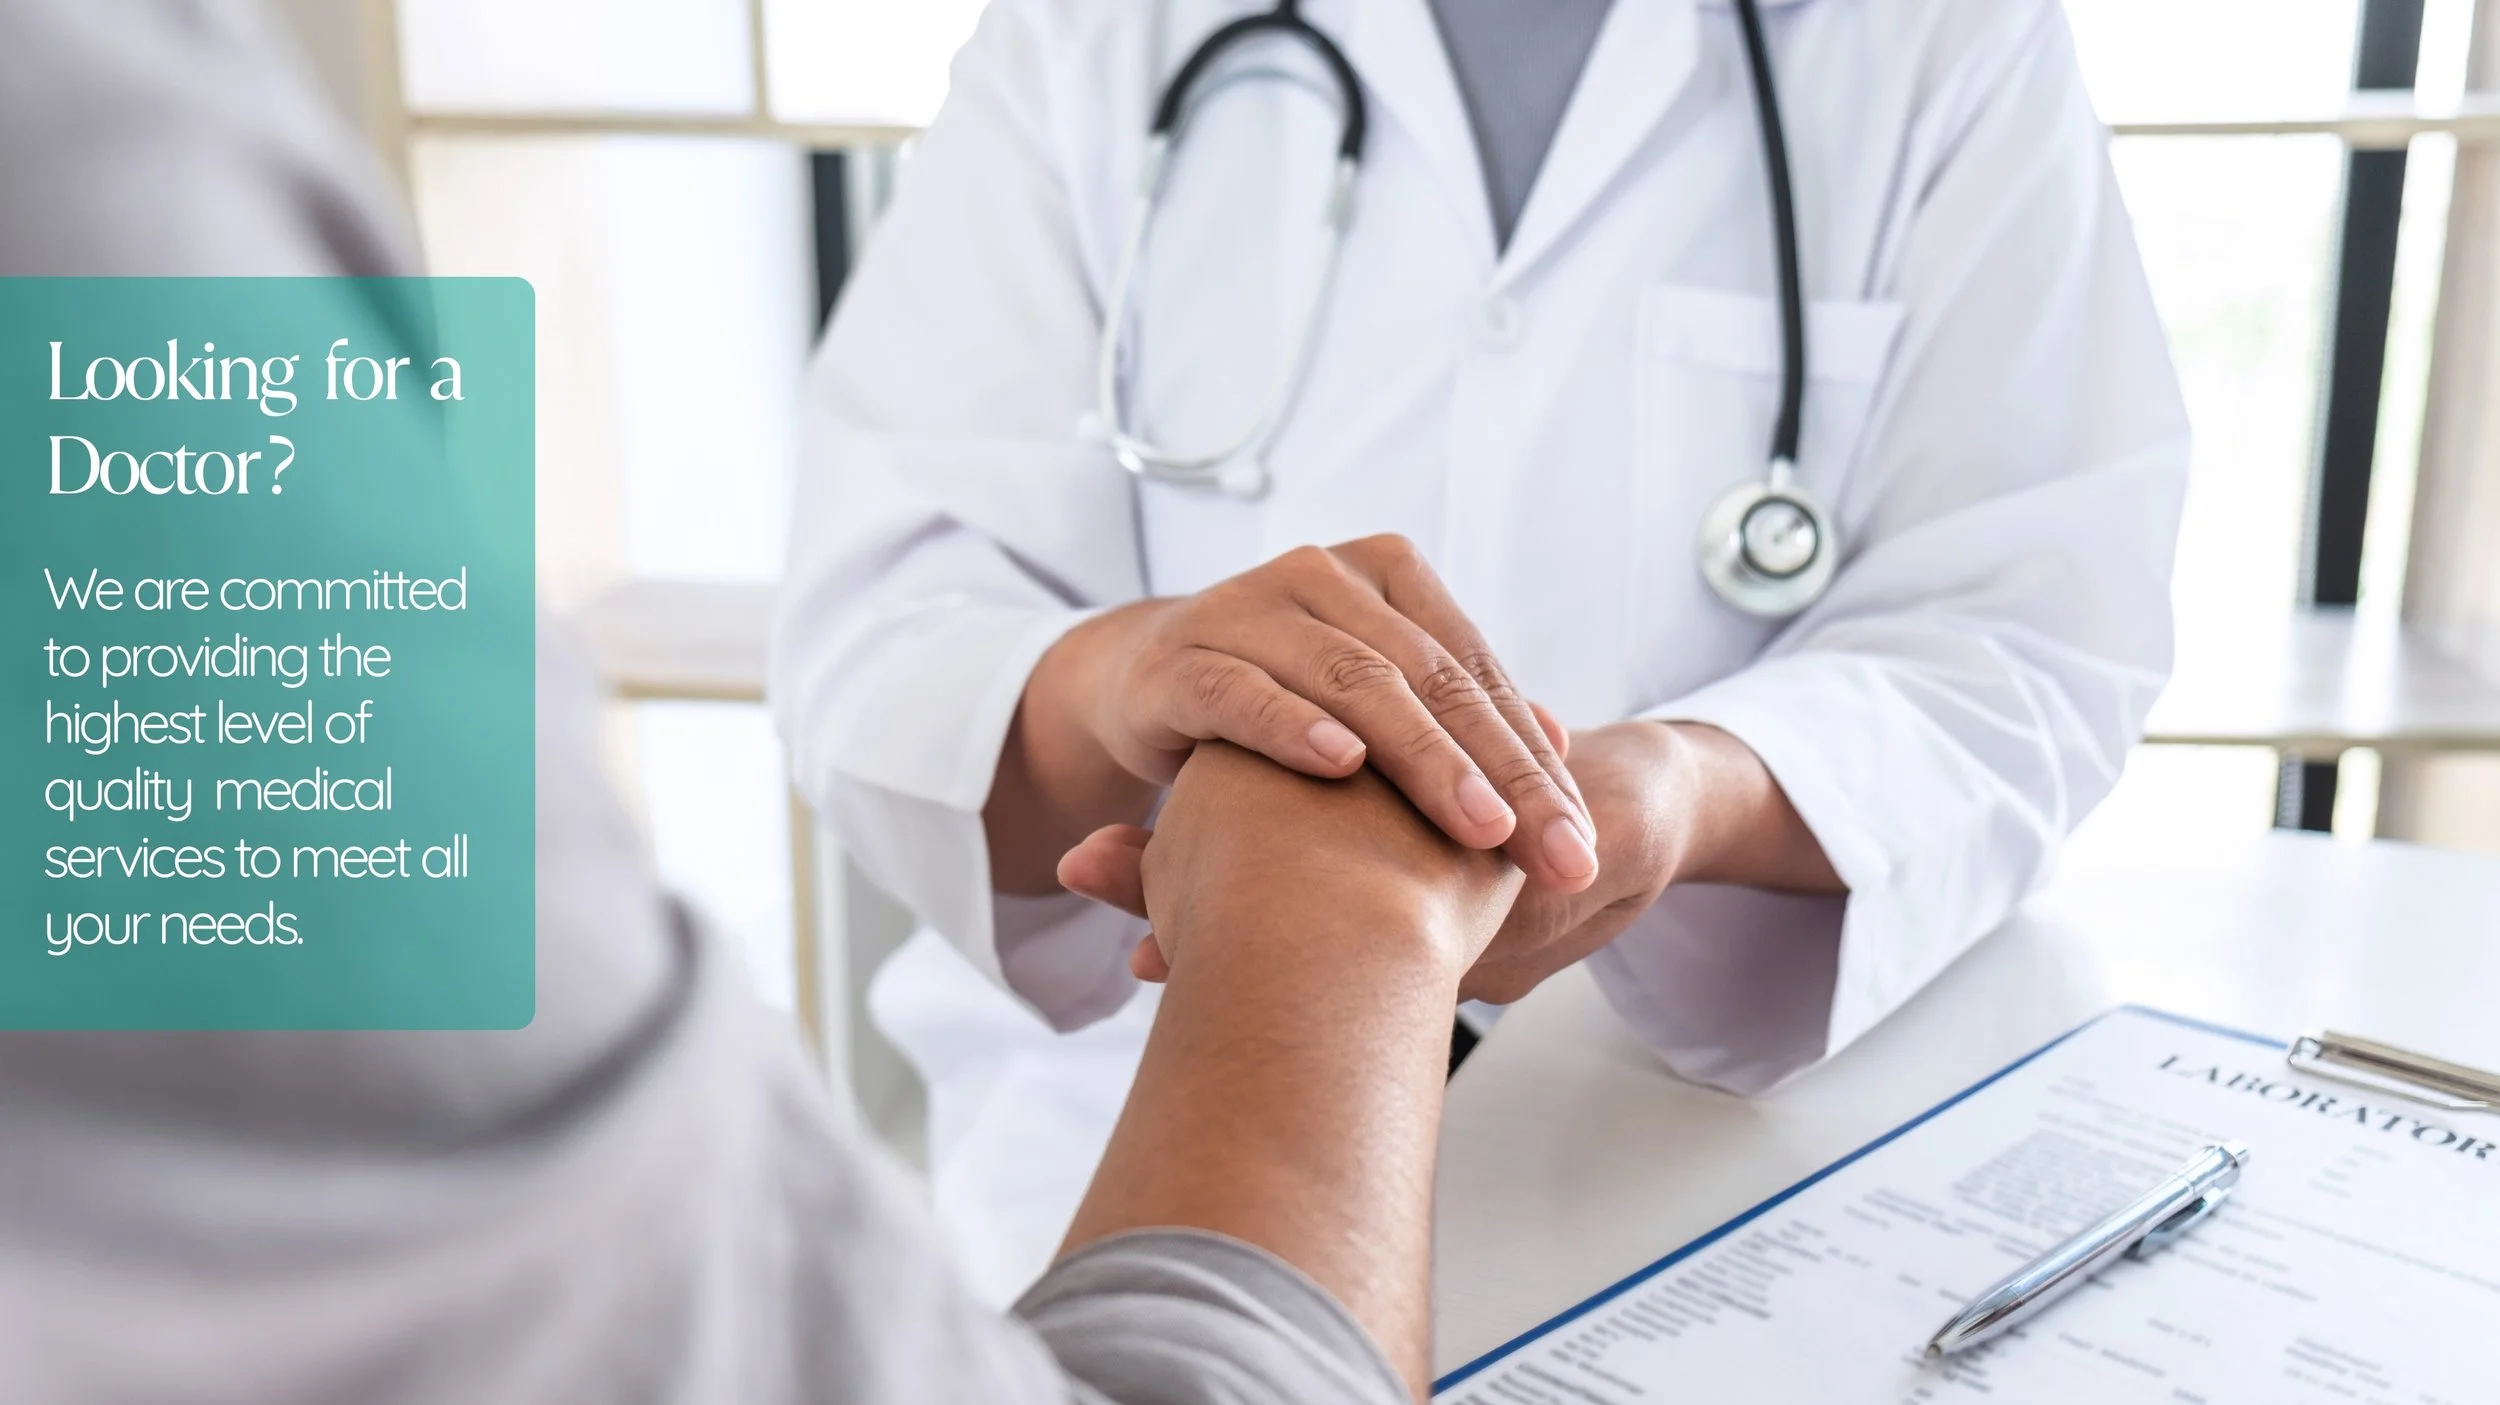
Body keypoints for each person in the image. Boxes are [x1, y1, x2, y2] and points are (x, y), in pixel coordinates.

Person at [0, 2, 1516, 1400]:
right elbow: (875, 619)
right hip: (1196, 1176)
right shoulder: (75, 173)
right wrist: (1329, 892)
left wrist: (1722, 775)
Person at [772, 0, 2192, 1298]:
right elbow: (883, 623)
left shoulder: (1943, 37)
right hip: (1130, 1124)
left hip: (1703, 1160)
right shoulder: (1091, 33)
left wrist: (1686, 793)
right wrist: (1130, 676)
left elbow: (2037, 628)